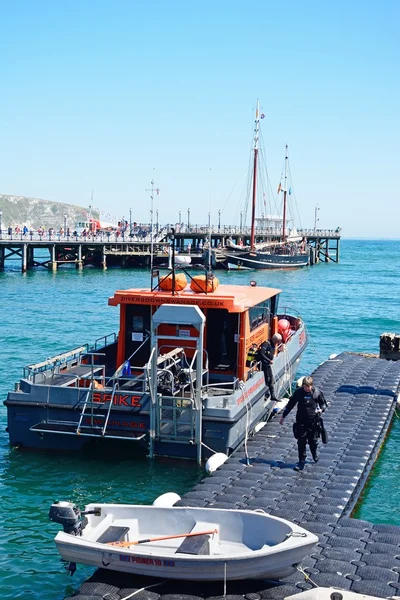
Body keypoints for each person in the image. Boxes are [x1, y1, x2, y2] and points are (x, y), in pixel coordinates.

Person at [279, 375, 327, 471]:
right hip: (301, 422)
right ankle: (301, 461)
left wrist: (321, 410)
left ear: (311, 386)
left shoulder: (317, 393)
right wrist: (283, 416)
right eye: (305, 386)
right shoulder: (299, 393)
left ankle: (314, 454)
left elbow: (323, 404)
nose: (307, 389)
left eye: (308, 387)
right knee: (301, 442)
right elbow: (290, 404)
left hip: (313, 422)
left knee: (313, 442)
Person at [258, 333, 282, 403]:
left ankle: (272, 396)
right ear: (275, 340)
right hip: (264, 364)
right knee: (267, 380)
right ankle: (267, 395)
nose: (278, 343)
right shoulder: (266, 344)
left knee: (271, 379)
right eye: (278, 341)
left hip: (268, 364)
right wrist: (269, 360)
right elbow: (261, 353)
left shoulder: (272, 344)